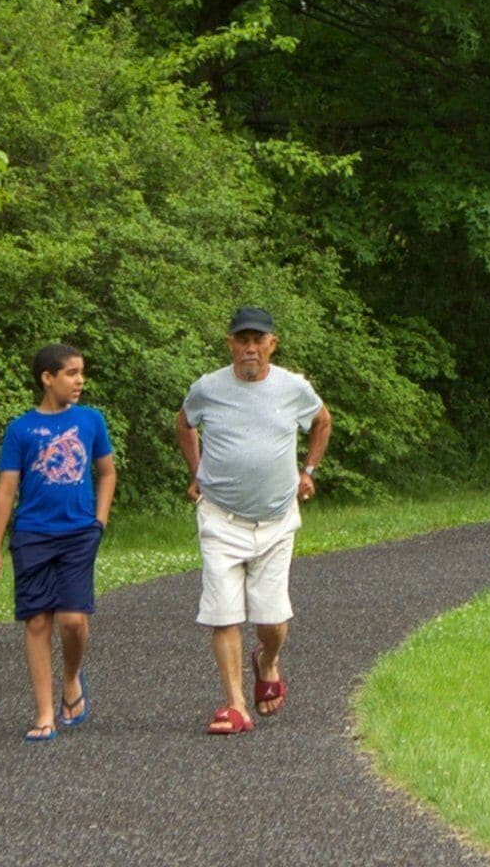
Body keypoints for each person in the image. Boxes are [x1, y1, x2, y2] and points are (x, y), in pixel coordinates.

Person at [180, 305, 329, 735]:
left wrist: (309, 471)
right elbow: (184, 423)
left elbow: (321, 420)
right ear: (230, 344)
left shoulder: (292, 387)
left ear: (271, 344)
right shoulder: (208, 387)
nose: (250, 348)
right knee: (223, 614)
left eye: (257, 341)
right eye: (241, 341)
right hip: (221, 517)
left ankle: (267, 660)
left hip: (277, 519)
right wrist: (197, 471)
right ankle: (235, 705)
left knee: (272, 621)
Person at [0, 342, 117, 742]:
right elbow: (7, 489)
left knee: (74, 621)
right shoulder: (20, 429)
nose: (80, 381)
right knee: (38, 620)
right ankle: (44, 714)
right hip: (32, 535)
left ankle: (72, 677)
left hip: (78, 532)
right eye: (72, 373)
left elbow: (106, 473)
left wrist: (99, 521)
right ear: (48, 378)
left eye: (81, 373)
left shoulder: (91, 420)